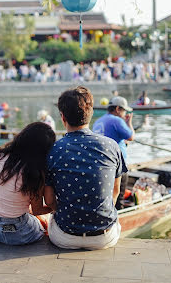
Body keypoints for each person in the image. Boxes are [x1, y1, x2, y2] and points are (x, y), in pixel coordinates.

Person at [45, 86, 127, 250]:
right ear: (90, 114)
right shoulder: (111, 146)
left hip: (64, 237)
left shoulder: (54, 150)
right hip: (104, 237)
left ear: (62, 117)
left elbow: (49, 201)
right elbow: (116, 191)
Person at [0, 122, 56, 245]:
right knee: (42, 223)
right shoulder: (35, 172)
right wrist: (55, 209)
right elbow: (37, 210)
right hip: (18, 233)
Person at [92, 96, 134, 210]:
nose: (125, 113)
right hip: (116, 164)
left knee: (105, 194)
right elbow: (131, 136)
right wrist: (128, 122)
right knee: (119, 195)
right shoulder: (117, 120)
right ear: (117, 109)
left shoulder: (98, 121)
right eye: (124, 110)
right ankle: (119, 215)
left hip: (100, 165)